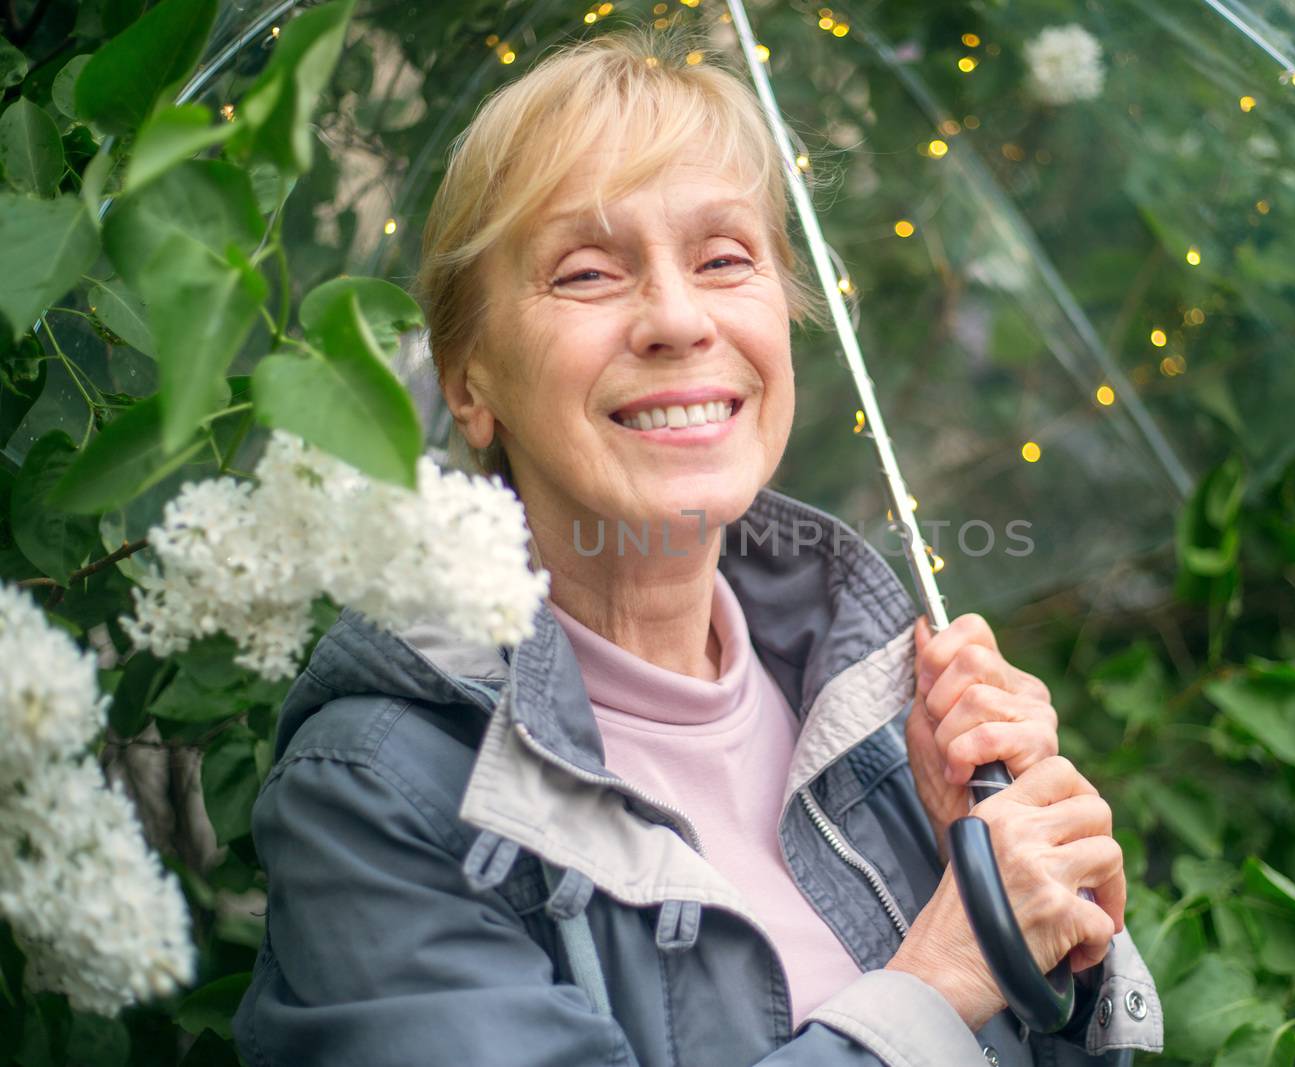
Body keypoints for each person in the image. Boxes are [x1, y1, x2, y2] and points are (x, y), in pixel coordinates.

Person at [232, 27, 1163, 1067]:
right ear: (469, 381)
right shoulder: (375, 795)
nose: (677, 319)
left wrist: (1053, 938)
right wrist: (947, 970)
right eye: (587, 273)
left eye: (724, 259)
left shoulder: (880, 715)